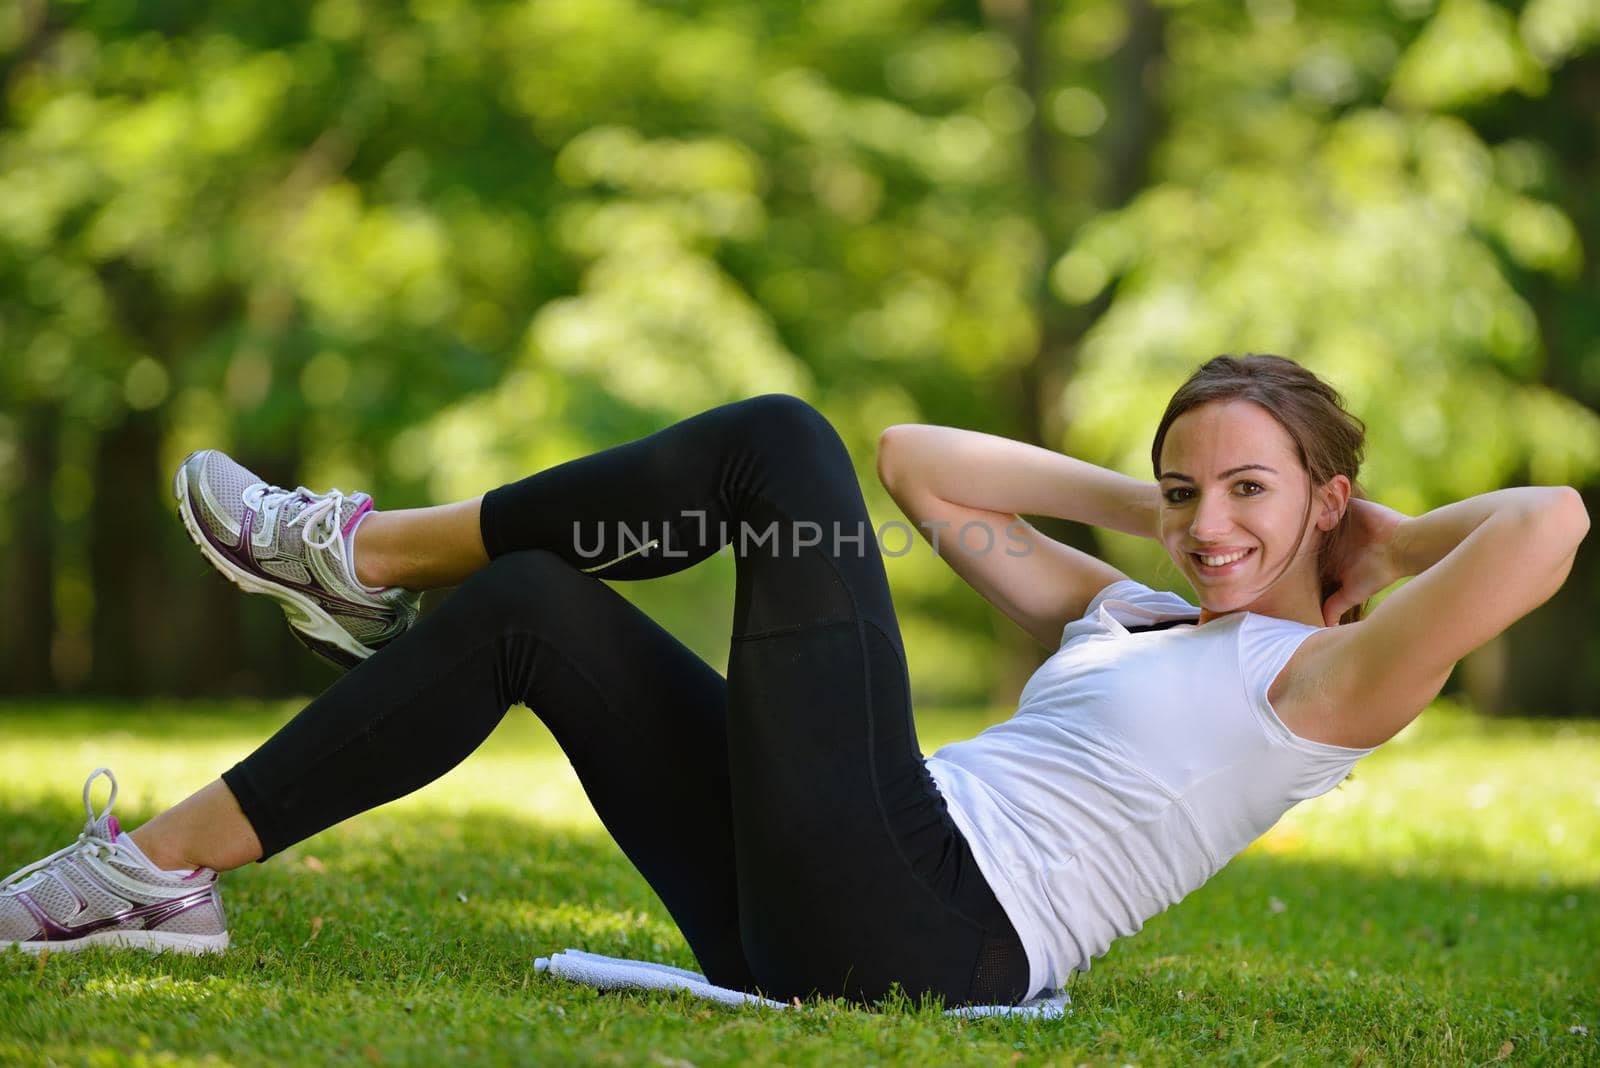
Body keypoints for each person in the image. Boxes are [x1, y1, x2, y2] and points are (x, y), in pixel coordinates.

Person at [1, 355, 1587, 1008]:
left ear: (1328, 502)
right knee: (535, 602)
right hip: (813, 890)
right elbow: (928, 470)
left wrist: (1377, 530)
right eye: (1191, 491)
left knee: (776, 448)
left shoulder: (1333, 678)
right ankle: (151, 874)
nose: (1209, 524)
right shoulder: (1131, 608)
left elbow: (1550, 522)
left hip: (934, 919)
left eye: (1252, 492)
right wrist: (1150, 500)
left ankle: (361, 555)